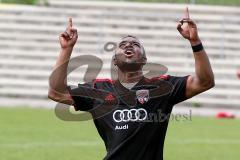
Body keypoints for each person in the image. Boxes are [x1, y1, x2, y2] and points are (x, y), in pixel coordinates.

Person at [48, 7, 214, 160]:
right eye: (122, 45)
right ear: (114, 60)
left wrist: (195, 42)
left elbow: (204, 82)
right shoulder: (98, 89)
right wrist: (66, 49)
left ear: (144, 59)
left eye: (135, 44)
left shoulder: (163, 87)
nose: (128, 45)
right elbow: (55, 92)